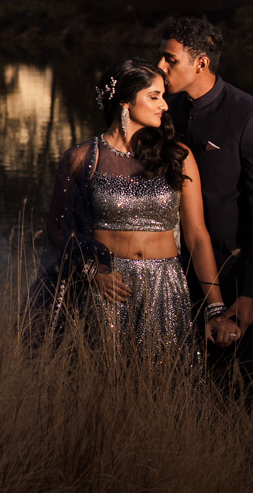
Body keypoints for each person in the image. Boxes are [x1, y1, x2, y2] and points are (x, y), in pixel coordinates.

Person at [40, 58, 237, 364]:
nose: (165, 106)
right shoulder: (82, 159)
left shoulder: (177, 156)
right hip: (107, 288)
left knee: (165, 382)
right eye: (154, 96)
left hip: (164, 286)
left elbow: (197, 235)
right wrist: (94, 273)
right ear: (125, 101)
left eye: (164, 96)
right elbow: (57, 229)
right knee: (103, 382)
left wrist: (216, 308)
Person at [159, 17, 253, 413]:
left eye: (170, 60)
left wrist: (250, 292)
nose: (161, 68)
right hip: (191, 271)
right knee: (204, 383)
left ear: (200, 63)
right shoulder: (168, 110)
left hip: (247, 269)